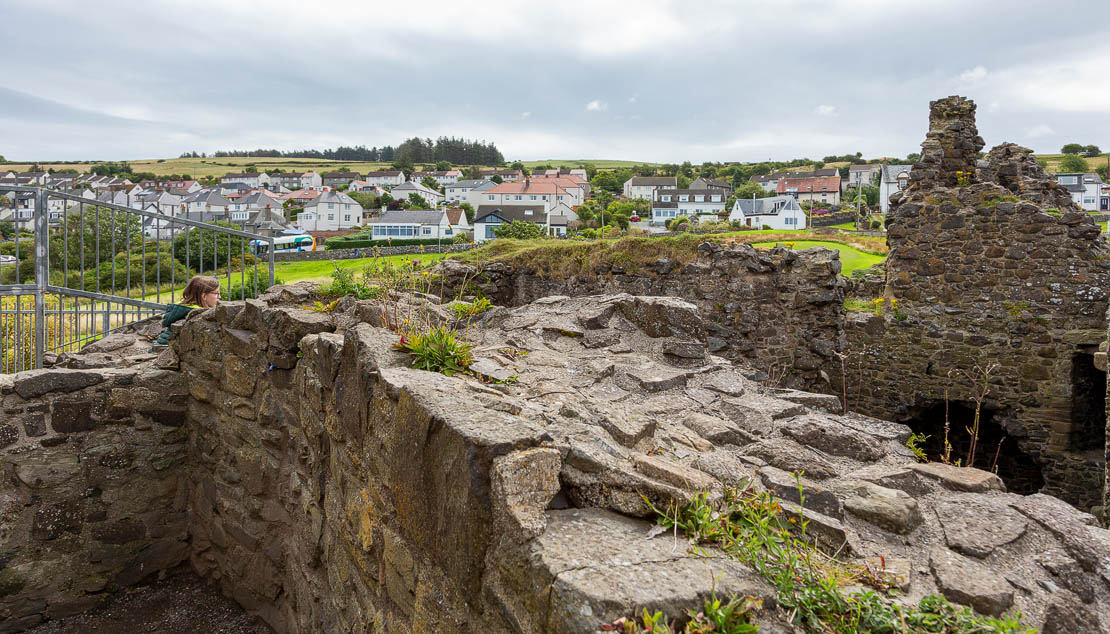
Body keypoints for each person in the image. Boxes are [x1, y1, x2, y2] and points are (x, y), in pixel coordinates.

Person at [153, 276, 220, 346]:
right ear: (204, 296)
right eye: (217, 293)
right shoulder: (195, 314)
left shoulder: (182, 308)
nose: (219, 297)